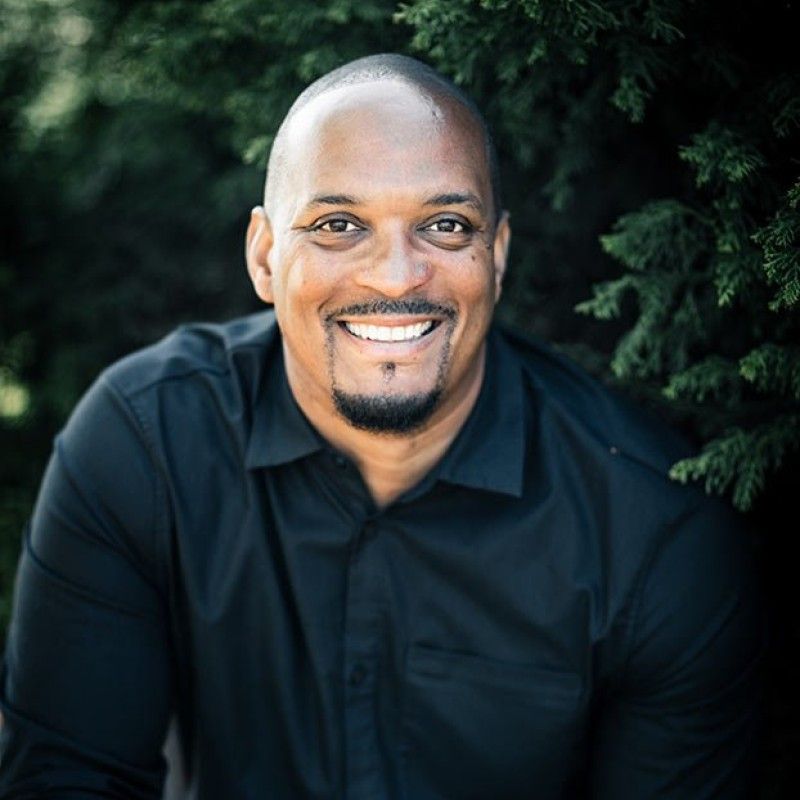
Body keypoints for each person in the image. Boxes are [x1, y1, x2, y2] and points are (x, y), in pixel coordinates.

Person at [0, 53, 766, 799]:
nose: (397, 276)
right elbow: (68, 776)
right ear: (265, 257)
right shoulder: (146, 443)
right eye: (339, 224)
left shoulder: (653, 536)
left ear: (497, 256)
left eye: (445, 225)